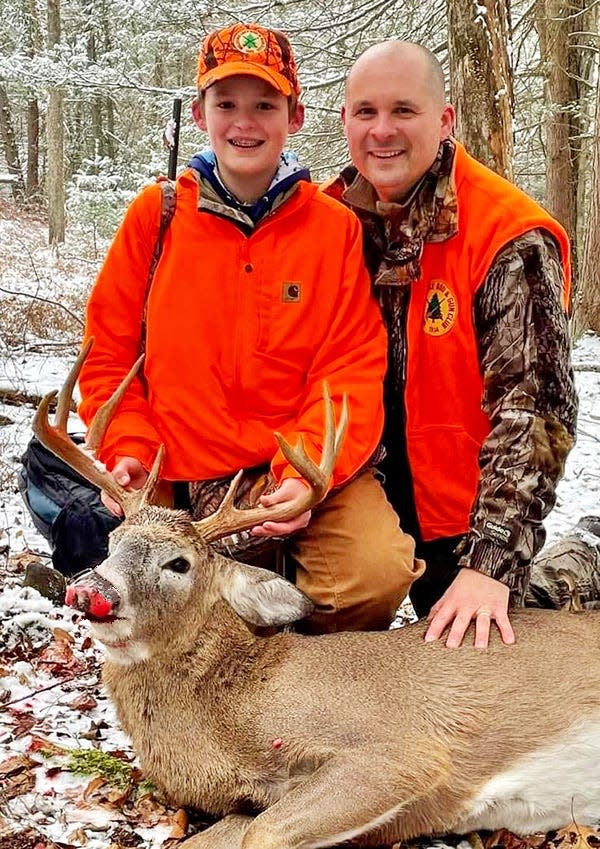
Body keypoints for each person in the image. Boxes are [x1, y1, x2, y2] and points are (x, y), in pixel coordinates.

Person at [75, 23, 423, 634]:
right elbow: (108, 358)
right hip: (175, 468)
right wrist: (127, 448)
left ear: (295, 115)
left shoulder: (331, 228)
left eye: (265, 104)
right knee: (145, 601)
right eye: (226, 103)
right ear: (199, 112)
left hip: (289, 462)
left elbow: (348, 369)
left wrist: (302, 475)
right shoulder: (155, 218)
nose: (245, 122)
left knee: (372, 573)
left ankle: (301, 696)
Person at [323, 40, 578, 647]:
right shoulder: (328, 222)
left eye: (403, 111)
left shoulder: (504, 236)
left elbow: (536, 412)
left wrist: (488, 566)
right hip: (363, 502)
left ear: (444, 121)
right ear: (345, 122)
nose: (382, 132)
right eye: (366, 112)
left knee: (490, 648)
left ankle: (579, 565)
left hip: (464, 521)